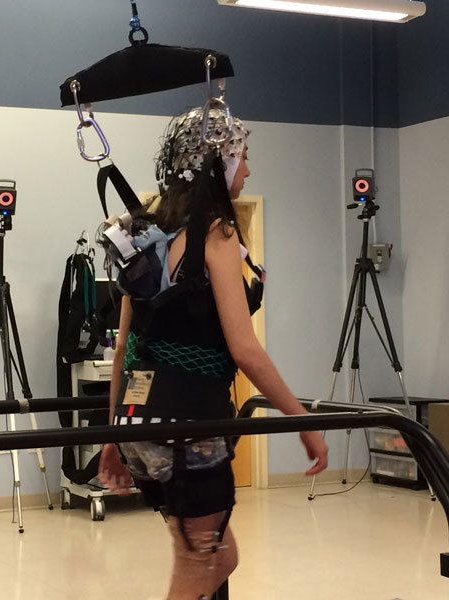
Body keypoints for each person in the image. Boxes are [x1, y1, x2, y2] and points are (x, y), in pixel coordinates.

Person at [97, 107, 328, 600]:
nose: (247, 170)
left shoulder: (147, 237)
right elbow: (245, 350)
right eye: (242, 159)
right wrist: (302, 422)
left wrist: (114, 437)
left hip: (141, 426)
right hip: (189, 429)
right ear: (216, 165)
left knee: (219, 556)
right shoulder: (217, 234)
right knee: (196, 564)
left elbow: (124, 348)